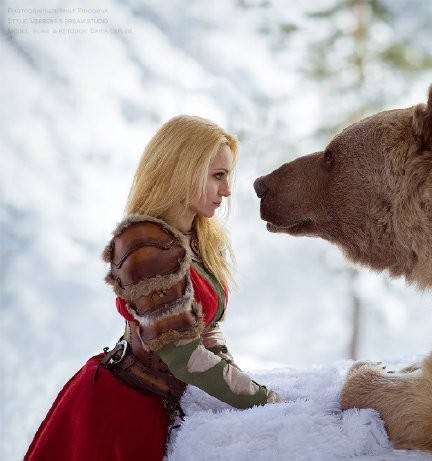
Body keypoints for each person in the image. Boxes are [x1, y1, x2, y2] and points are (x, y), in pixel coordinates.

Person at [26, 115, 280, 461]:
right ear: (183, 170)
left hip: (161, 405)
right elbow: (182, 356)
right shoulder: (143, 245)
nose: (227, 190)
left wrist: (237, 380)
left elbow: (208, 328)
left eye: (228, 176)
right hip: (122, 408)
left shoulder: (198, 239)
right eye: (218, 176)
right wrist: (262, 399)